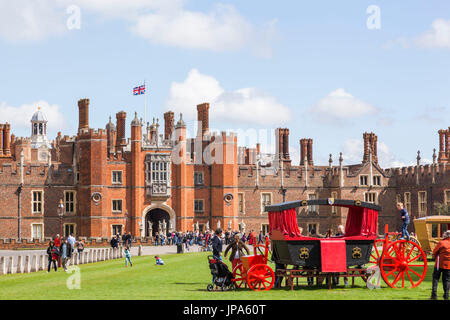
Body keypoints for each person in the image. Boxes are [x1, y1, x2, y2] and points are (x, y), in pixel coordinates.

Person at [431, 230, 450, 300]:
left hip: (439, 264)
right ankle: (446, 296)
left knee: (435, 279)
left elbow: (435, 252)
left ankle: (434, 295)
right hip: (448, 265)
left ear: (445, 235)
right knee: (447, 280)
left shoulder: (441, 243)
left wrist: (434, 256)